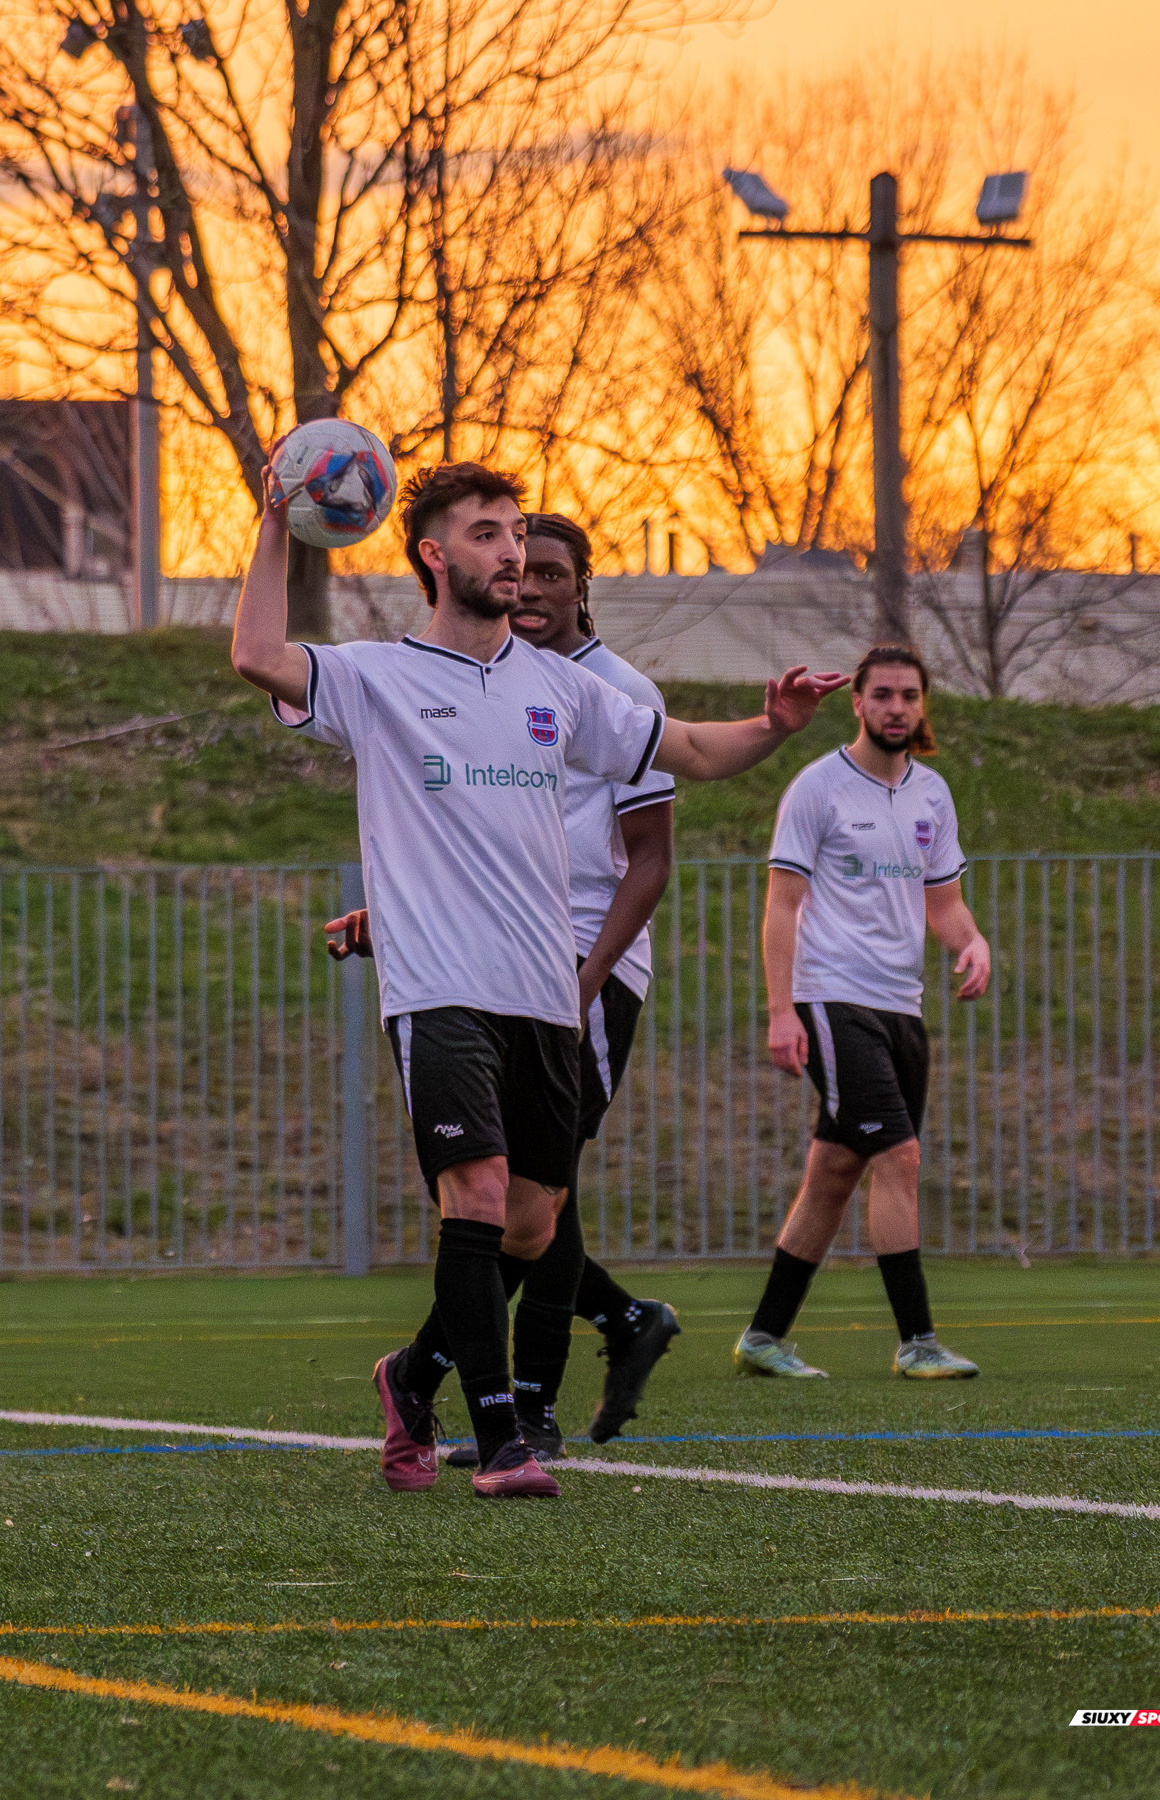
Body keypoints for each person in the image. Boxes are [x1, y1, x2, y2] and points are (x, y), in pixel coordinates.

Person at [232, 453, 846, 1498]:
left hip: (543, 995)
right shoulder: (380, 677)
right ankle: (504, 1439)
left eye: (517, 532)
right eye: (487, 533)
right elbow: (255, 652)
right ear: (432, 554)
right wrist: (275, 517)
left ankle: (408, 1376)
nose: (512, 550)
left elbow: (688, 750)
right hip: (438, 989)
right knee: (472, 1194)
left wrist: (773, 728)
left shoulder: (560, 690)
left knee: (532, 1223)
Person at [358, 512, 680, 1466]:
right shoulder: (490, 682)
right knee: (515, 1199)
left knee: (540, 1198)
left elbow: (650, 861)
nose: (528, 584)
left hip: (589, 964)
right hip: (500, 959)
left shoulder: (613, 694)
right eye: (516, 566)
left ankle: (521, 1405)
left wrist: (585, 980)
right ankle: (472, 1372)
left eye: (549, 572)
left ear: (582, 585)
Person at [733, 644, 990, 1381]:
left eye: (910, 696)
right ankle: (918, 1341)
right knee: (898, 1156)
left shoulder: (931, 794)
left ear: (923, 704)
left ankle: (763, 1337)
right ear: (858, 703)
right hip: (831, 995)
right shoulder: (818, 789)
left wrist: (972, 945)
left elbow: (944, 905)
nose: (897, 708)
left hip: (899, 1007)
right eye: (883, 695)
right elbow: (781, 907)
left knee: (836, 1169)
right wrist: (782, 1012)